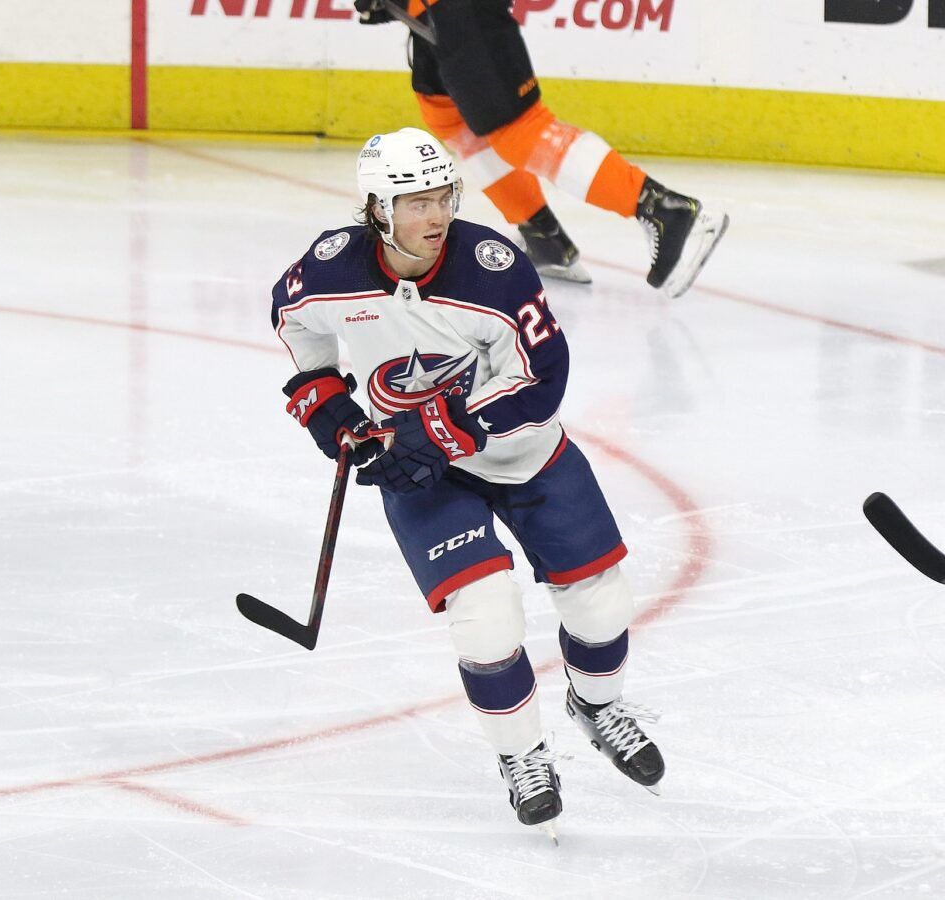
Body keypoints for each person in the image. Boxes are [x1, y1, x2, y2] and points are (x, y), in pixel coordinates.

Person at [271, 127, 664, 837]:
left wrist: (436, 430)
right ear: (377, 210)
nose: (437, 215)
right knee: (485, 621)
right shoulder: (330, 269)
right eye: (415, 201)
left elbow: (542, 382)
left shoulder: (492, 267)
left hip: (524, 455)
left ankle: (598, 708)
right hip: (420, 476)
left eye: (443, 195)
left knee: (601, 605)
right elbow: (299, 337)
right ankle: (523, 758)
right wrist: (338, 422)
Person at [351, 0, 728, 295]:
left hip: (463, 9)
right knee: (453, 121)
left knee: (519, 129)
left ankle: (668, 211)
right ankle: (542, 236)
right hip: (431, 14)